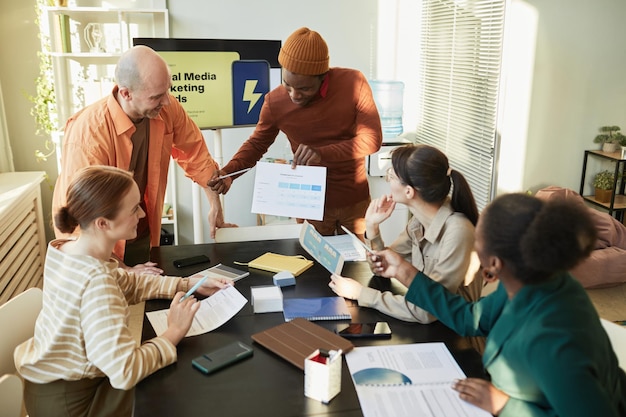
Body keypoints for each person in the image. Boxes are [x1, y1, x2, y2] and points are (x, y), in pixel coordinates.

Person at [370, 192, 626, 416]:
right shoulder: (530, 281)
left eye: (477, 240)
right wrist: (403, 271)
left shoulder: (555, 343)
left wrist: (502, 405)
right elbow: (470, 318)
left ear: (493, 265)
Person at [15, 166, 231, 417]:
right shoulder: (95, 281)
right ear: (103, 223)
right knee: (176, 392)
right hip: (72, 404)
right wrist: (174, 331)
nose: (141, 214)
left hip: (47, 384)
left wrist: (185, 283)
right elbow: (124, 371)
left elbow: (127, 282)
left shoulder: (67, 251)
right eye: (133, 209)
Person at [52, 45, 235, 272]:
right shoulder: (89, 135)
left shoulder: (166, 108)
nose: (167, 101)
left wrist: (215, 205)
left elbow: (195, 154)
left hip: (141, 232)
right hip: (96, 251)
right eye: (157, 96)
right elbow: (83, 223)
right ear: (126, 93)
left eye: (167, 91)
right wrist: (124, 270)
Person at [208, 27, 382, 237]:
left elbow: (371, 140)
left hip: (354, 202)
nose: (294, 95)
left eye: (305, 89)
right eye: (287, 85)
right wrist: (228, 173)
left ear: (323, 77)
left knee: (358, 266)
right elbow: (256, 145)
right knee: (313, 266)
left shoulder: (353, 83)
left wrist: (321, 153)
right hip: (307, 204)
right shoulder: (274, 102)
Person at [329, 144, 481, 322]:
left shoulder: (458, 231)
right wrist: (372, 226)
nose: (387, 181)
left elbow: (428, 311)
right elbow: (381, 268)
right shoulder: (418, 222)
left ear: (409, 191)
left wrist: (363, 294)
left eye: (391, 176)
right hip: (430, 330)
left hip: (455, 338)